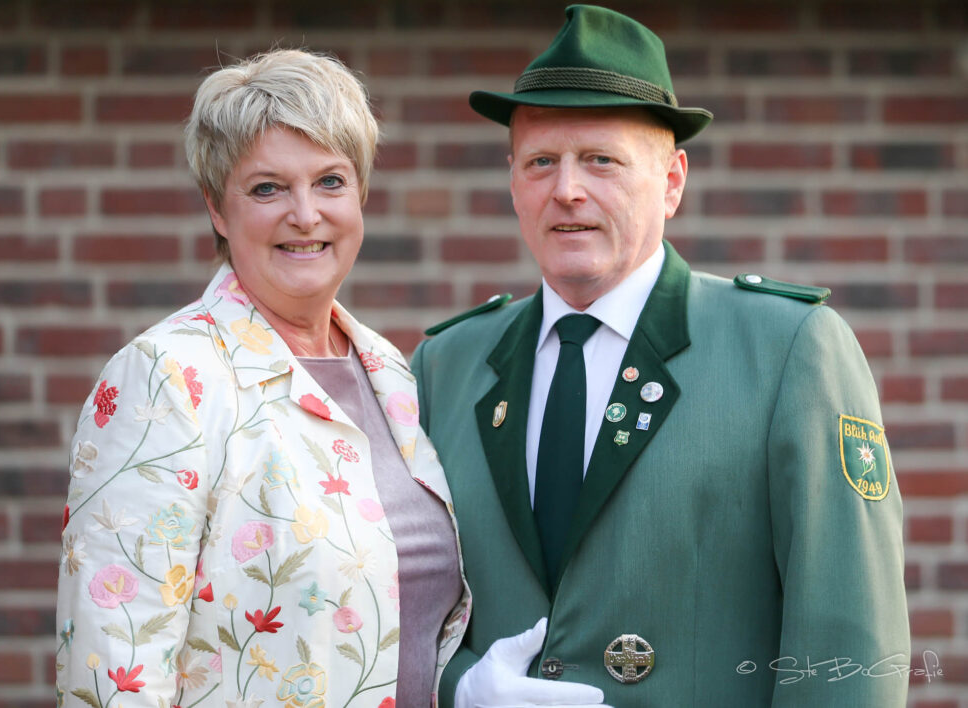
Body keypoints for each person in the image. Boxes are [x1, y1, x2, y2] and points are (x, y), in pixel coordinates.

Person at [411, 5, 909, 707]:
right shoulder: (447, 364)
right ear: (513, 180)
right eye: (541, 162)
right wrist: (463, 688)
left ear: (672, 181)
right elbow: (393, 602)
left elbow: (850, 646)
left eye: (601, 160)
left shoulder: (786, 349)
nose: (567, 190)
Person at [56, 49, 470, 708]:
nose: (305, 215)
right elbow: (116, 666)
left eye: (330, 181)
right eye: (268, 188)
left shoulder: (389, 371)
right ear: (219, 210)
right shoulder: (169, 378)